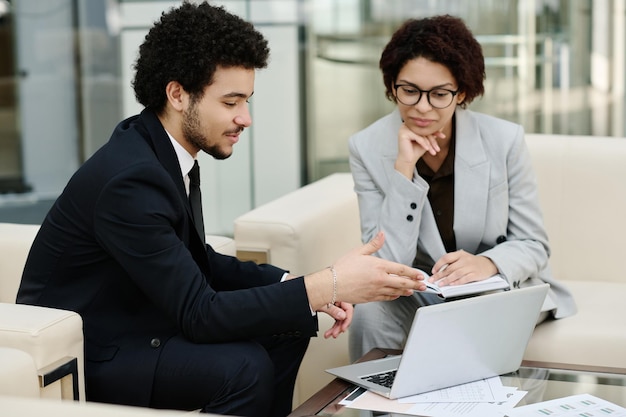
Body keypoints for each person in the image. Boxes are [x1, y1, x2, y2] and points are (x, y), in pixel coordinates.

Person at [15, 3, 426, 417]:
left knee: (290, 323)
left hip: (141, 318)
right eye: (231, 102)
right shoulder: (131, 179)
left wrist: (300, 285)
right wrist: (328, 285)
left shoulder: (162, 150)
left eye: (246, 101)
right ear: (177, 94)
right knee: (241, 369)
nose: (245, 118)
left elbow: (197, 260)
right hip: (91, 351)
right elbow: (200, 314)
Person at [347, 15, 577, 362]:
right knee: (371, 310)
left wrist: (487, 264)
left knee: (485, 314)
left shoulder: (504, 140)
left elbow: (534, 243)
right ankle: (379, 408)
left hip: (497, 288)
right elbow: (385, 262)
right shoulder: (366, 147)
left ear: (463, 92)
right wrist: (403, 171)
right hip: (424, 290)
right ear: (392, 86)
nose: (422, 107)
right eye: (409, 91)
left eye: (439, 94)